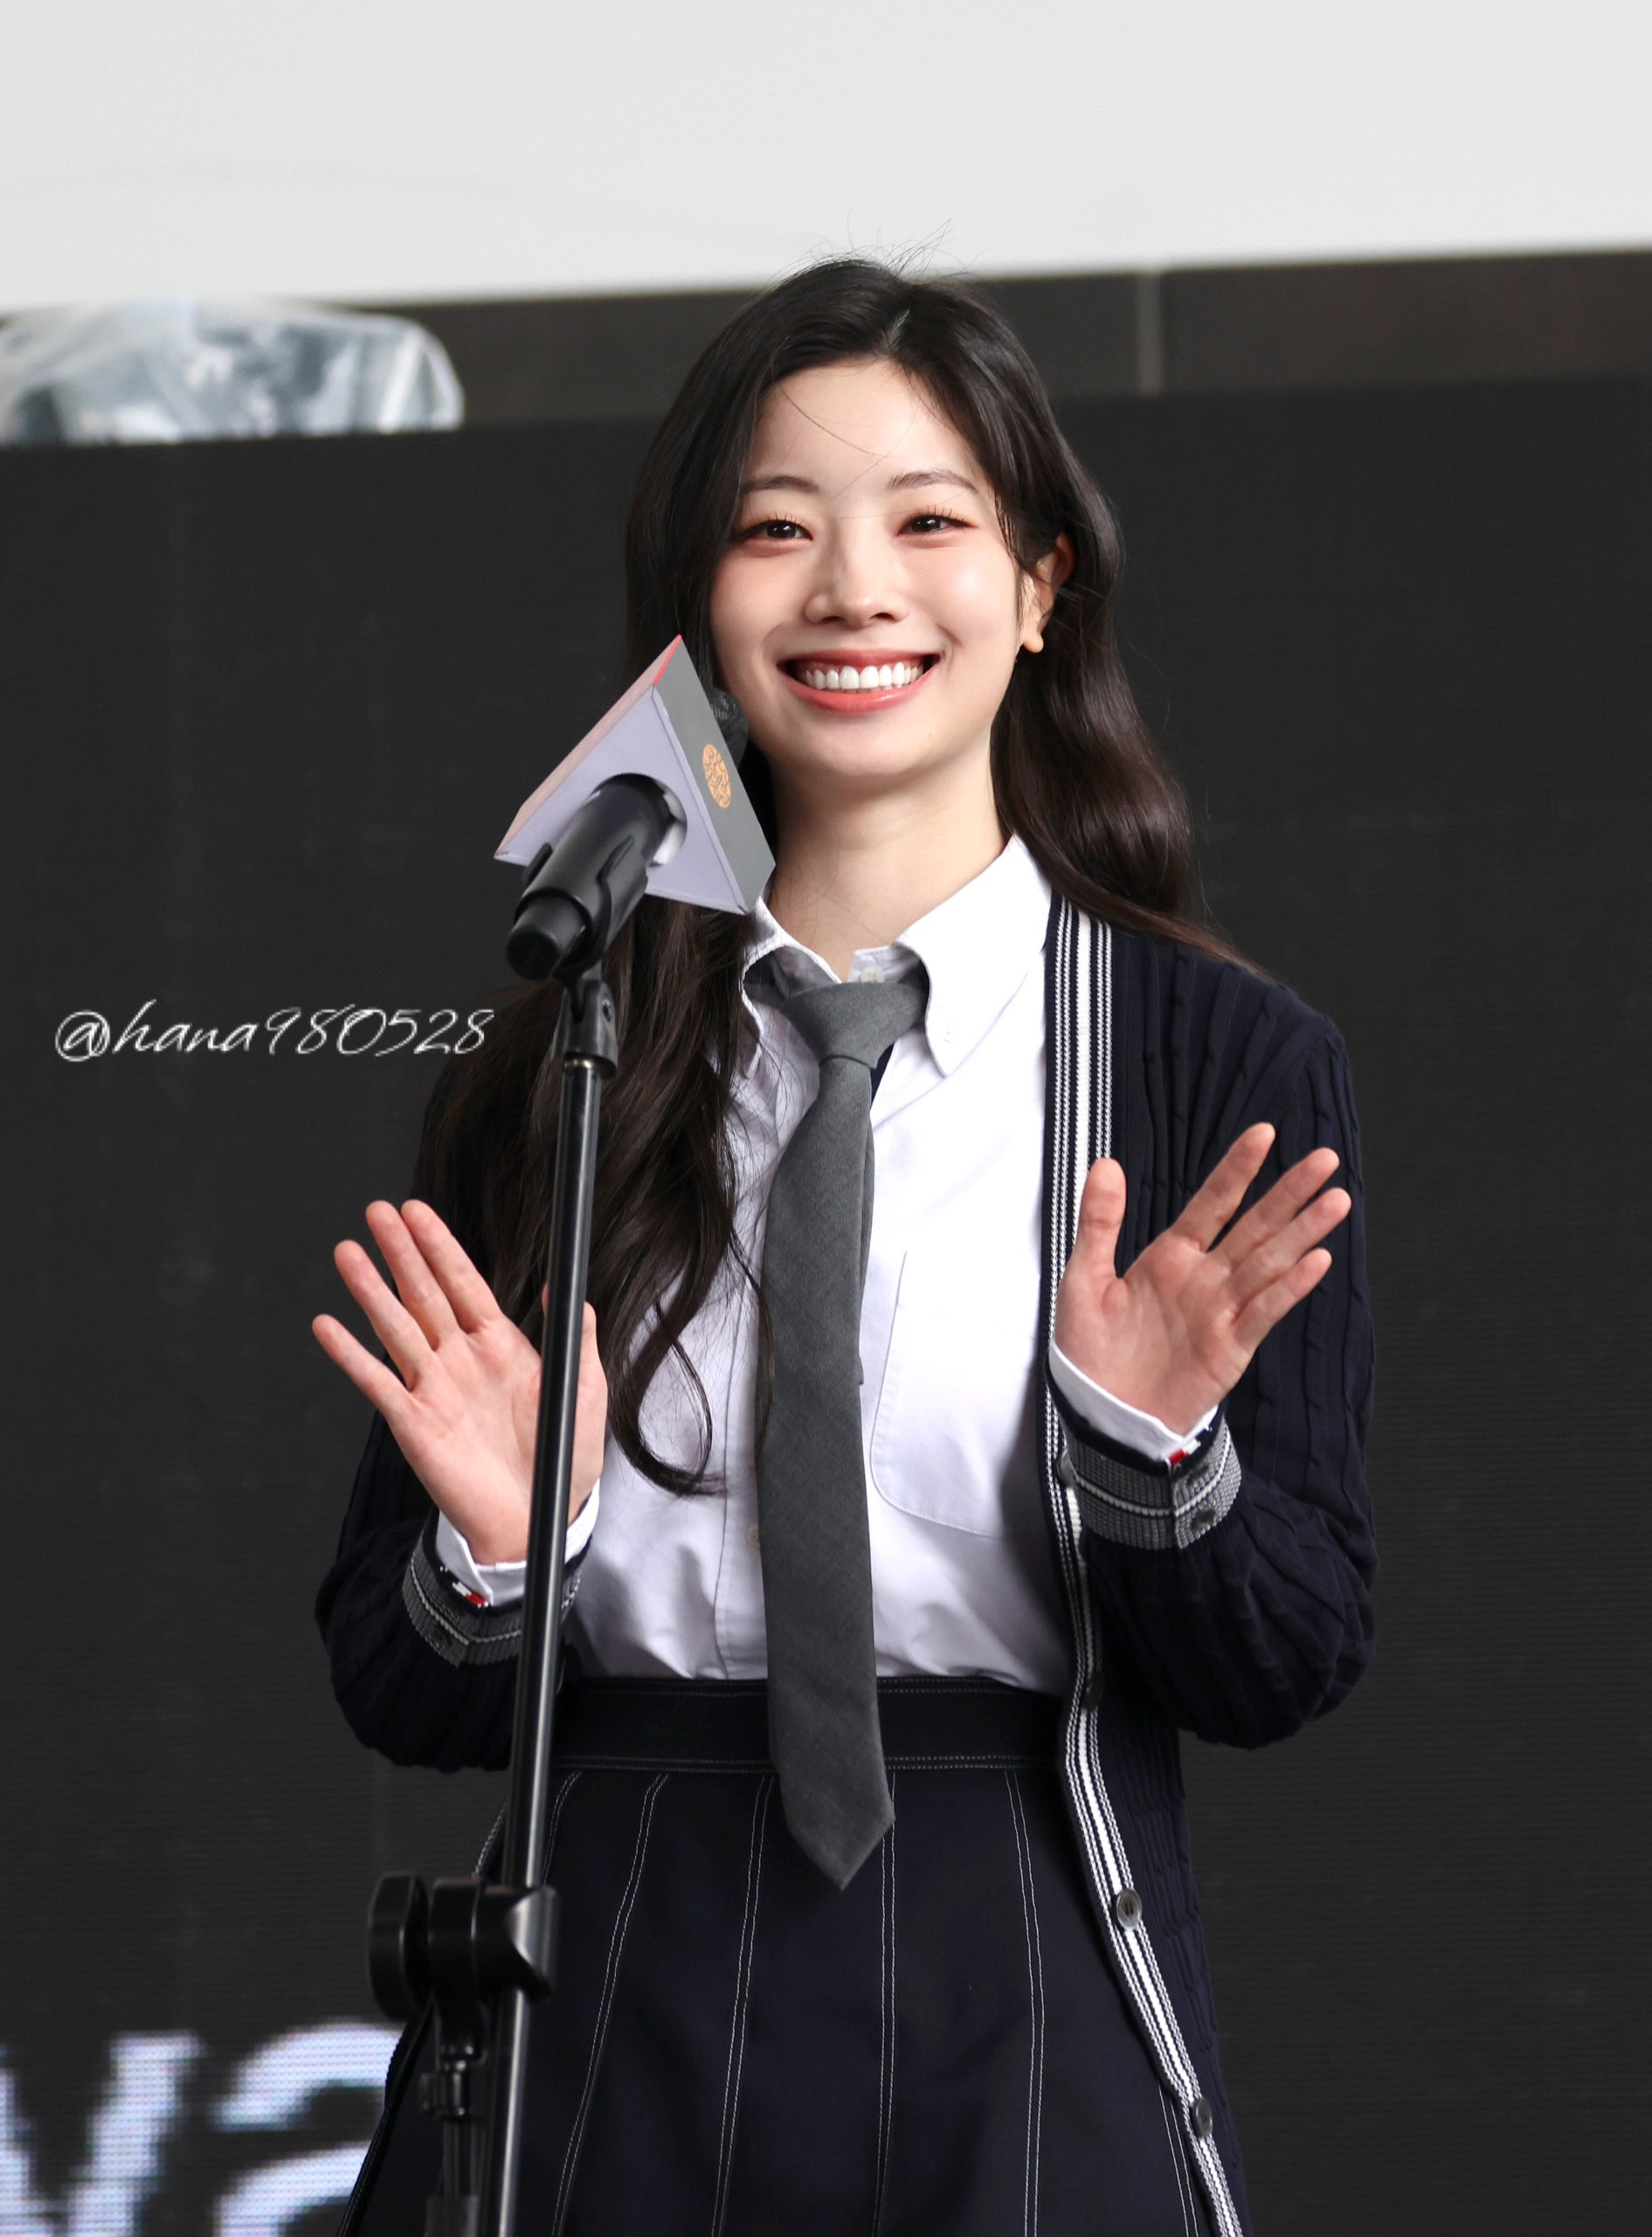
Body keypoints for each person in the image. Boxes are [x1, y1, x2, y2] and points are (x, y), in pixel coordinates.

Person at [313, 256, 1376, 2237]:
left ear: (1041, 585)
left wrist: (1148, 1457)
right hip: (604, 1954)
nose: (853, 588)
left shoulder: (1214, 1057)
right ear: (697, 609)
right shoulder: (561, 1062)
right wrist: (500, 1549)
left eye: (929, 523)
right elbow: (398, 1681)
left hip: (1025, 1938)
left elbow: (1286, 1654)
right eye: (774, 529)